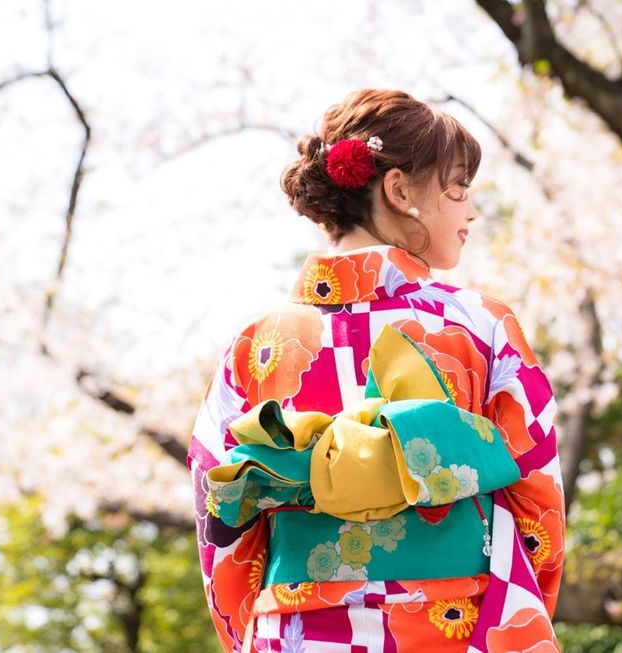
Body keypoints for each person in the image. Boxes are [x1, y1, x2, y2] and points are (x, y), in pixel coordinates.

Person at [188, 88, 566, 652]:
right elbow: (538, 499)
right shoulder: (482, 326)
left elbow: (217, 513)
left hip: (293, 629)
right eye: (458, 187)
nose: (471, 210)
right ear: (400, 190)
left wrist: (253, 629)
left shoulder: (253, 345)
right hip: (451, 624)